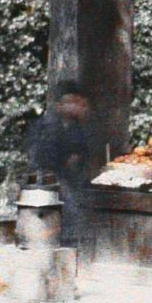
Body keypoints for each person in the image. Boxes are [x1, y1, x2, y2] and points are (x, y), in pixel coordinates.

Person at [27, 81, 101, 249]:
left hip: (71, 188)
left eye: (81, 104)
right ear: (60, 105)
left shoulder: (80, 130)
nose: (78, 107)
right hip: (48, 189)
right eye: (72, 103)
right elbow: (43, 162)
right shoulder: (47, 127)